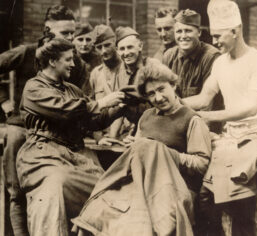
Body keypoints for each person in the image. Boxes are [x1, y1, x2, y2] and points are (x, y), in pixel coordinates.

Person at [184, 1, 257, 235]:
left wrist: (208, 116)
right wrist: (174, 103)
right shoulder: (219, 64)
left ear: (235, 31)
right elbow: (205, 96)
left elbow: (250, 107)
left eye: (218, 36)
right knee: (239, 202)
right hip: (233, 138)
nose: (214, 42)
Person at [72, 62, 211, 236]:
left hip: (174, 186)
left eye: (161, 89)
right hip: (139, 182)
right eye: (151, 94)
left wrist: (163, 153)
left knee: (135, 224)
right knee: (98, 211)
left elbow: (202, 163)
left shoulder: (191, 119)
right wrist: (136, 148)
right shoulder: (146, 116)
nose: (158, 98)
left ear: (174, 85)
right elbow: (139, 157)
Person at [17, 36, 123, 236]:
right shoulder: (34, 87)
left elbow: (91, 121)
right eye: (68, 59)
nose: (73, 64)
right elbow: (64, 110)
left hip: (75, 157)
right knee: (56, 184)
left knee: (107, 188)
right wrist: (101, 102)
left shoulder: (72, 90)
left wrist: (120, 107)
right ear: (52, 61)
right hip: (43, 157)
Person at [0, 5, 87, 236]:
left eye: (73, 33)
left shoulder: (75, 63)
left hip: (59, 136)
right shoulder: (27, 52)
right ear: (48, 31)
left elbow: (81, 104)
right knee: (17, 191)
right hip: (22, 126)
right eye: (65, 33)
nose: (72, 38)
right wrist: (4, 103)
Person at [162, 9, 223, 133]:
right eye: (179, 31)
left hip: (205, 127)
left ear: (199, 32)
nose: (183, 36)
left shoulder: (211, 56)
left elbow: (207, 105)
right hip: (176, 123)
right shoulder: (168, 56)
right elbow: (164, 93)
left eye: (188, 31)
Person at [90, 24, 130, 145]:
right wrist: (99, 138)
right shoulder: (96, 74)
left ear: (115, 44)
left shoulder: (128, 69)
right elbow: (91, 110)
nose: (104, 51)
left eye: (107, 45)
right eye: (99, 47)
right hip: (105, 141)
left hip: (126, 137)